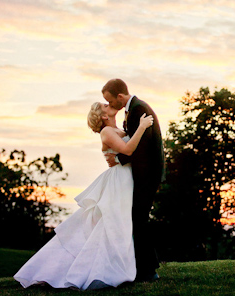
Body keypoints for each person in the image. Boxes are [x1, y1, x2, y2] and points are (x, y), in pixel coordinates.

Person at [13, 101, 154, 290]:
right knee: (113, 224)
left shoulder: (119, 129)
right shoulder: (107, 132)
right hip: (118, 181)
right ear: (103, 116)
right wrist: (143, 127)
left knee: (119, 225)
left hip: (127, 179)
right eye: (105, 105)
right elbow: (128, 150)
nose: (109, 104)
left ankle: (123, 267)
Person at [102, 78, 165, 282]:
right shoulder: (132, 110)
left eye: (110, 101)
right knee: (138, 220)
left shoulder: (139, 109)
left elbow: (142, 147)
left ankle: (148, 271)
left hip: (147, 175)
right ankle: (146, 268)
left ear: (120, 97)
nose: (110, 106)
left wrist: (119, 158)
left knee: (138, 220)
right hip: (139, 174)